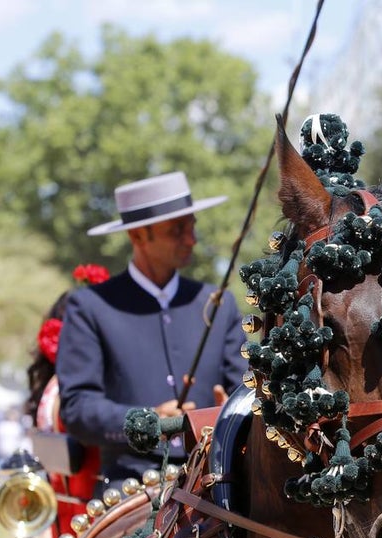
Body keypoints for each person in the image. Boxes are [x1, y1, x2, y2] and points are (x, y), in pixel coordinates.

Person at [56, 171, 248, 485]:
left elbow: (245, 387)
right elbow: (78, 407)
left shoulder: (218, 304)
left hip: (219, 480)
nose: (191, 239)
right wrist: (145, 420)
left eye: (192, 226)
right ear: (137, 237)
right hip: (130, 484)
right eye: (177, 231)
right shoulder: (90, 308)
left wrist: (232, 405)